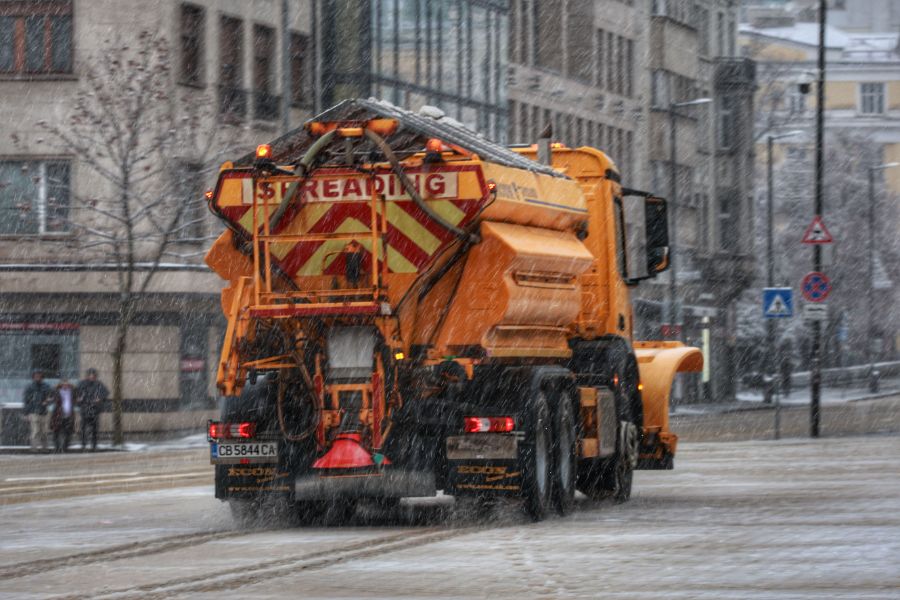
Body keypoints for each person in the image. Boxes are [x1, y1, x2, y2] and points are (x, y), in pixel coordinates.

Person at [76, 368, 108, 451]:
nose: (91, 376)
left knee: (94, 430)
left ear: (95, 376)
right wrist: (78, 399)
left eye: (93, 375)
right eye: (90, 375)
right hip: (85, 410)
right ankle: (83, 445)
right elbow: (76, 393)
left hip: (95, 410)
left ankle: (94, 445)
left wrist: (100, 398)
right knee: (83, 429)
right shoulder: (82, 384)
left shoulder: (99, 384)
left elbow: (106, 393)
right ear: (87, 376)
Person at [22, 370, 51, 451]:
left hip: (44, 412)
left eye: (39, 375)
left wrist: (48, 401)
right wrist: (26, 413)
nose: (37, 377)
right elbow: (26, 401)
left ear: (42, 377)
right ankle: (34, 448)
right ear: (33, 377)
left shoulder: (46, 386)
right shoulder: (29, 387)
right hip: (33, 412)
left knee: (44, 432)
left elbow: (51, 397)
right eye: (36, 376)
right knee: (35, 431)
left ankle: (44, 448)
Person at [50, 379, 76, 453]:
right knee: (56, 432)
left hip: (69, 415)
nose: (65, 386)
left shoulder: (72, 392)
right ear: (61, 385)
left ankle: (65, 448)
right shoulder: (57, 391)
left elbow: (76, 399)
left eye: (66, 384)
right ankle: (57, 448)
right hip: (58, 414)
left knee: (68, 432)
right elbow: (51, 398)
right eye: (63, 384)